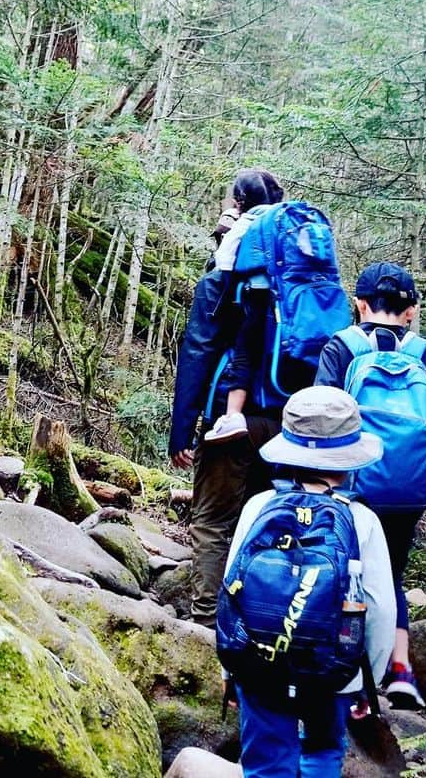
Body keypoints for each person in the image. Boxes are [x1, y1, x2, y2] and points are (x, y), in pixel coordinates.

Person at [221, 386, 395, 778]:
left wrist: (230, 671)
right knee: (320, 753)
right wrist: (367, 680)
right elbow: (380, 607)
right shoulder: (362, 521)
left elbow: (231, 591)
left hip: (259, 664)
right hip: (331, 673)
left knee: (265, 764)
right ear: (349, 459)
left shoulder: (258, 507)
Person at [315, 262, 426, 709]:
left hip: (353, 482)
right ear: (411, 310)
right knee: (390, 573)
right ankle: (400, 668)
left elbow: (323, 417)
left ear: (359, 304)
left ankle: (352, 674)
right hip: (409, 489)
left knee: (348, 571)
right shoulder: (424, 353)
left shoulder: (344, 346)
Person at [168, 168, 285, 628]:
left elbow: (200, 348)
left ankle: (204, 626)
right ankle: (257, 622)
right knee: (263, 522)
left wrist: (183, 426)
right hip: (285, 419)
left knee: (215, 520)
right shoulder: (293, 269)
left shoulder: (228, 270)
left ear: (237, 204)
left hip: (228, 417)